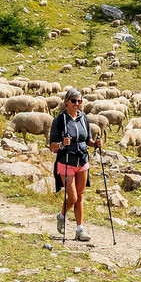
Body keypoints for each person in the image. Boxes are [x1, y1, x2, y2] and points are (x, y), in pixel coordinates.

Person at [46, 87, 99, 243]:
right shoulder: (59, 120)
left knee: (80, 196)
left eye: (79, 101)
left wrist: (94, 144)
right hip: (66, 160)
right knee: (73, 197)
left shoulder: (84, 118)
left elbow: (87, 139)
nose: (77, 104)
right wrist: (62, 144)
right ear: (66, 102)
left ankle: (79, 229)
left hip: (82, 159)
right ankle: (62, 215)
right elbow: (52, 145)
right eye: (74, 101)